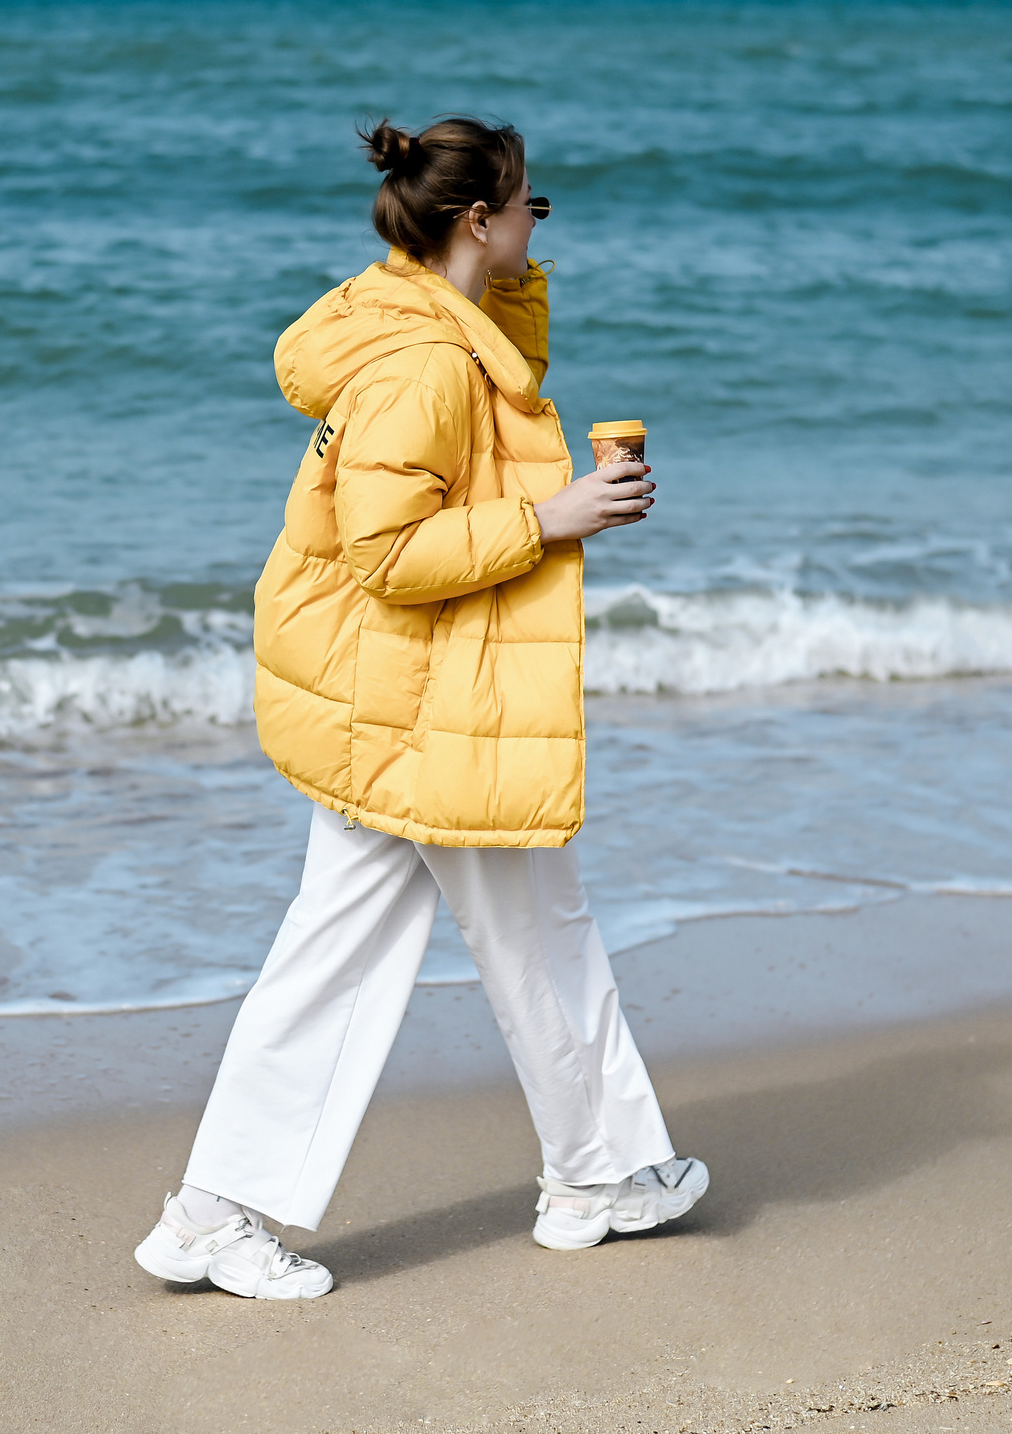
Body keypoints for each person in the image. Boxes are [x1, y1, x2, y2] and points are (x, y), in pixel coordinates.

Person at [132, 116, 708, 1301]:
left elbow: (497, 393)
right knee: (373, 950)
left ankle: (596, 1175)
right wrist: (553, 517)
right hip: (414, 696)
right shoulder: (423, 362)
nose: (539, 221)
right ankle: (214, 1215)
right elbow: (386, 551)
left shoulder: (428, 324)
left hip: (428, 690)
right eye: (528, 206)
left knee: (521, 924)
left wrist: (510, 288)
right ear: (475, 220)